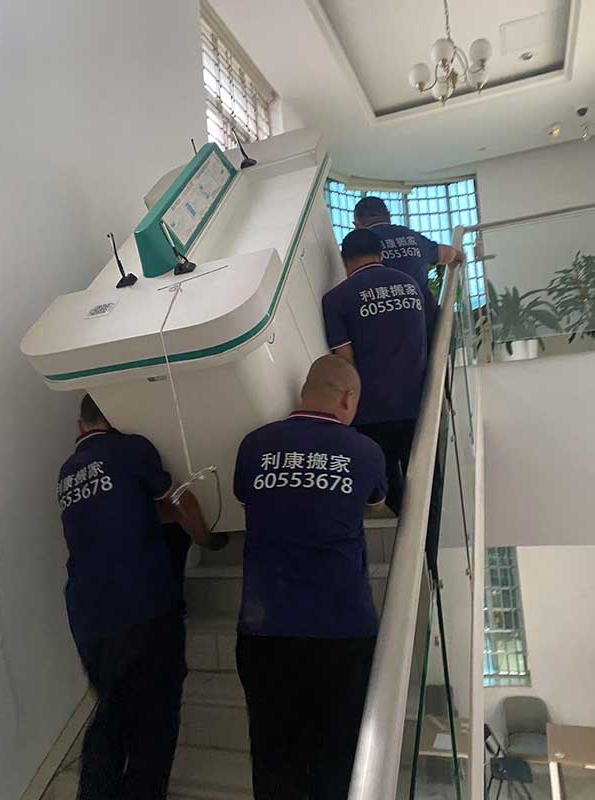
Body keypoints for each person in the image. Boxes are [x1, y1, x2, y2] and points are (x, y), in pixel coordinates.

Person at [57, 394, 228, 800]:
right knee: (156, 714)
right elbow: (180, 499)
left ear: (81, 425)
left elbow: (125, 510)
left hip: (87, 615)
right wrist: (209, 539)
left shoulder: (68, 471)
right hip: (142, 604)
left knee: (112, 710)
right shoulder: (131, 449)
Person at [233, 355, 388, 800]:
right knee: (336, 761)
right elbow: (375, 503)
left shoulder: (254, 445)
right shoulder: (366, 451)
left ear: (305, 392)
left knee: (273, 758)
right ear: (348, 398)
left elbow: (245, 498)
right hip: (341, 632)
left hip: (264, 631)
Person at [322, 228, 427, 513]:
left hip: (371, 410)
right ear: (381, 254)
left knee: (385, 480)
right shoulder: (409, 285)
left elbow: (345, 360)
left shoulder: (336, 299)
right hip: (418, 401)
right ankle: (430, 535)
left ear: (344, 260)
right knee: (428, 476)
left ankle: (408, 524)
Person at [353, 196, 463, 343]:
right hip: (425, 322)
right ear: (389, 215)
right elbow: (445, 253)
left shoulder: (359, 246)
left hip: (384, 327)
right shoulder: (411, 237)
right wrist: (458, 255)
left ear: (357, 224)